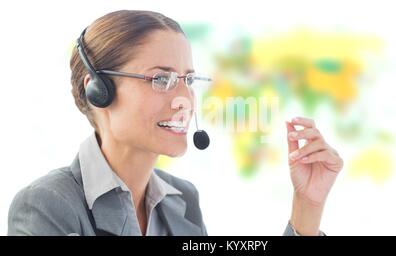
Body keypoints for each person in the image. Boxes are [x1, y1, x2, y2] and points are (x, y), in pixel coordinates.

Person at [7, 10, 343, 236]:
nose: (184, 98)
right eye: (161, 79)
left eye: (188, 79)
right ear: (99, 90)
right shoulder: (46, 204)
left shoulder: (181, 198)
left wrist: (307, 206)